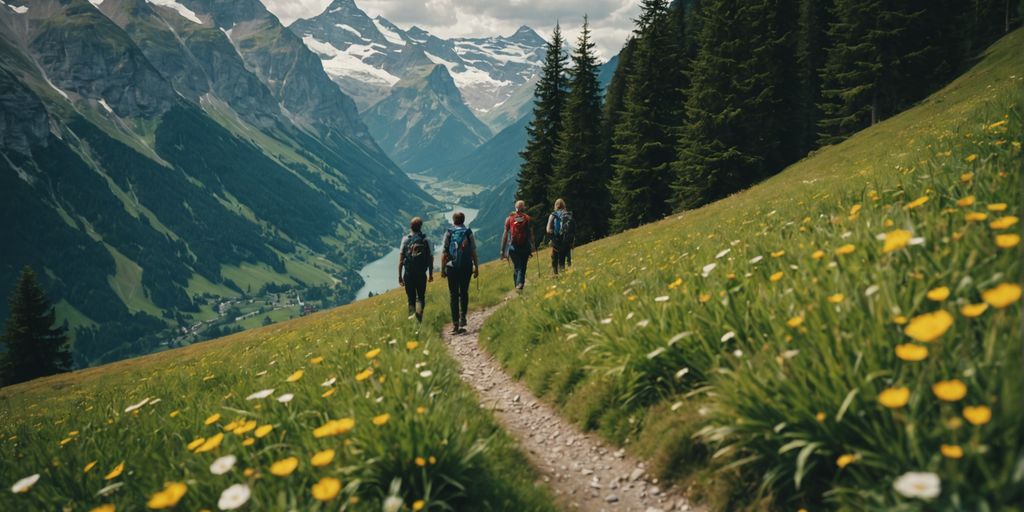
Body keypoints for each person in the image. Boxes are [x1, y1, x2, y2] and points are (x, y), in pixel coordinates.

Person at [441, 212, 479, 334]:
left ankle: (455, 324)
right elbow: (473, 250)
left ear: (453, 220)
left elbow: (445, 253)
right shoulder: (468, 232)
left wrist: (442, 269)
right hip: (466, 266)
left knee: (453, 295)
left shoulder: (449, 232)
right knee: (463, 292)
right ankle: (463, 317)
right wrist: (476, 266)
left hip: (452, 267)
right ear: (463, 220)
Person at [398, 217, 433, 322]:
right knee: (421, 297)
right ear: (420, 227)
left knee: (411, 299)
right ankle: (419, 319)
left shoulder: (405, 239)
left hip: (408, 274)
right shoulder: (426, 240)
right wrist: (430, 274)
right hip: (421, 274)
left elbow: (401, 260)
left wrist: (400, 276)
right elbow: (430, 259)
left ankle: (411, 320)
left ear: (410, 226)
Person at [500, 200, 536, 291]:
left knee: (517, 266)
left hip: (513, 247)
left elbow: (505, 234)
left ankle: (517, 285)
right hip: (525, 246)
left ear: (515, 207)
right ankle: (519, 285)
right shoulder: (527, 218)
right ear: (523, 208)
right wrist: (533, 245)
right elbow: (530, 234)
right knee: (522, 267)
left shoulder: (509, 219)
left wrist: (502, 250)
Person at [546, 198, 574, 275]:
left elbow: (548, 229)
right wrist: (571, 242)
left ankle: (556, 275)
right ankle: (563, 274)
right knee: (562, 259)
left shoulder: (553, 215)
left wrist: (551, 238)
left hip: (557, 240)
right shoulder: (568, 214)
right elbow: (571, 229)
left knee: (554, 258)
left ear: (555, 206)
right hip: (566, 241)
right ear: (564, 205)